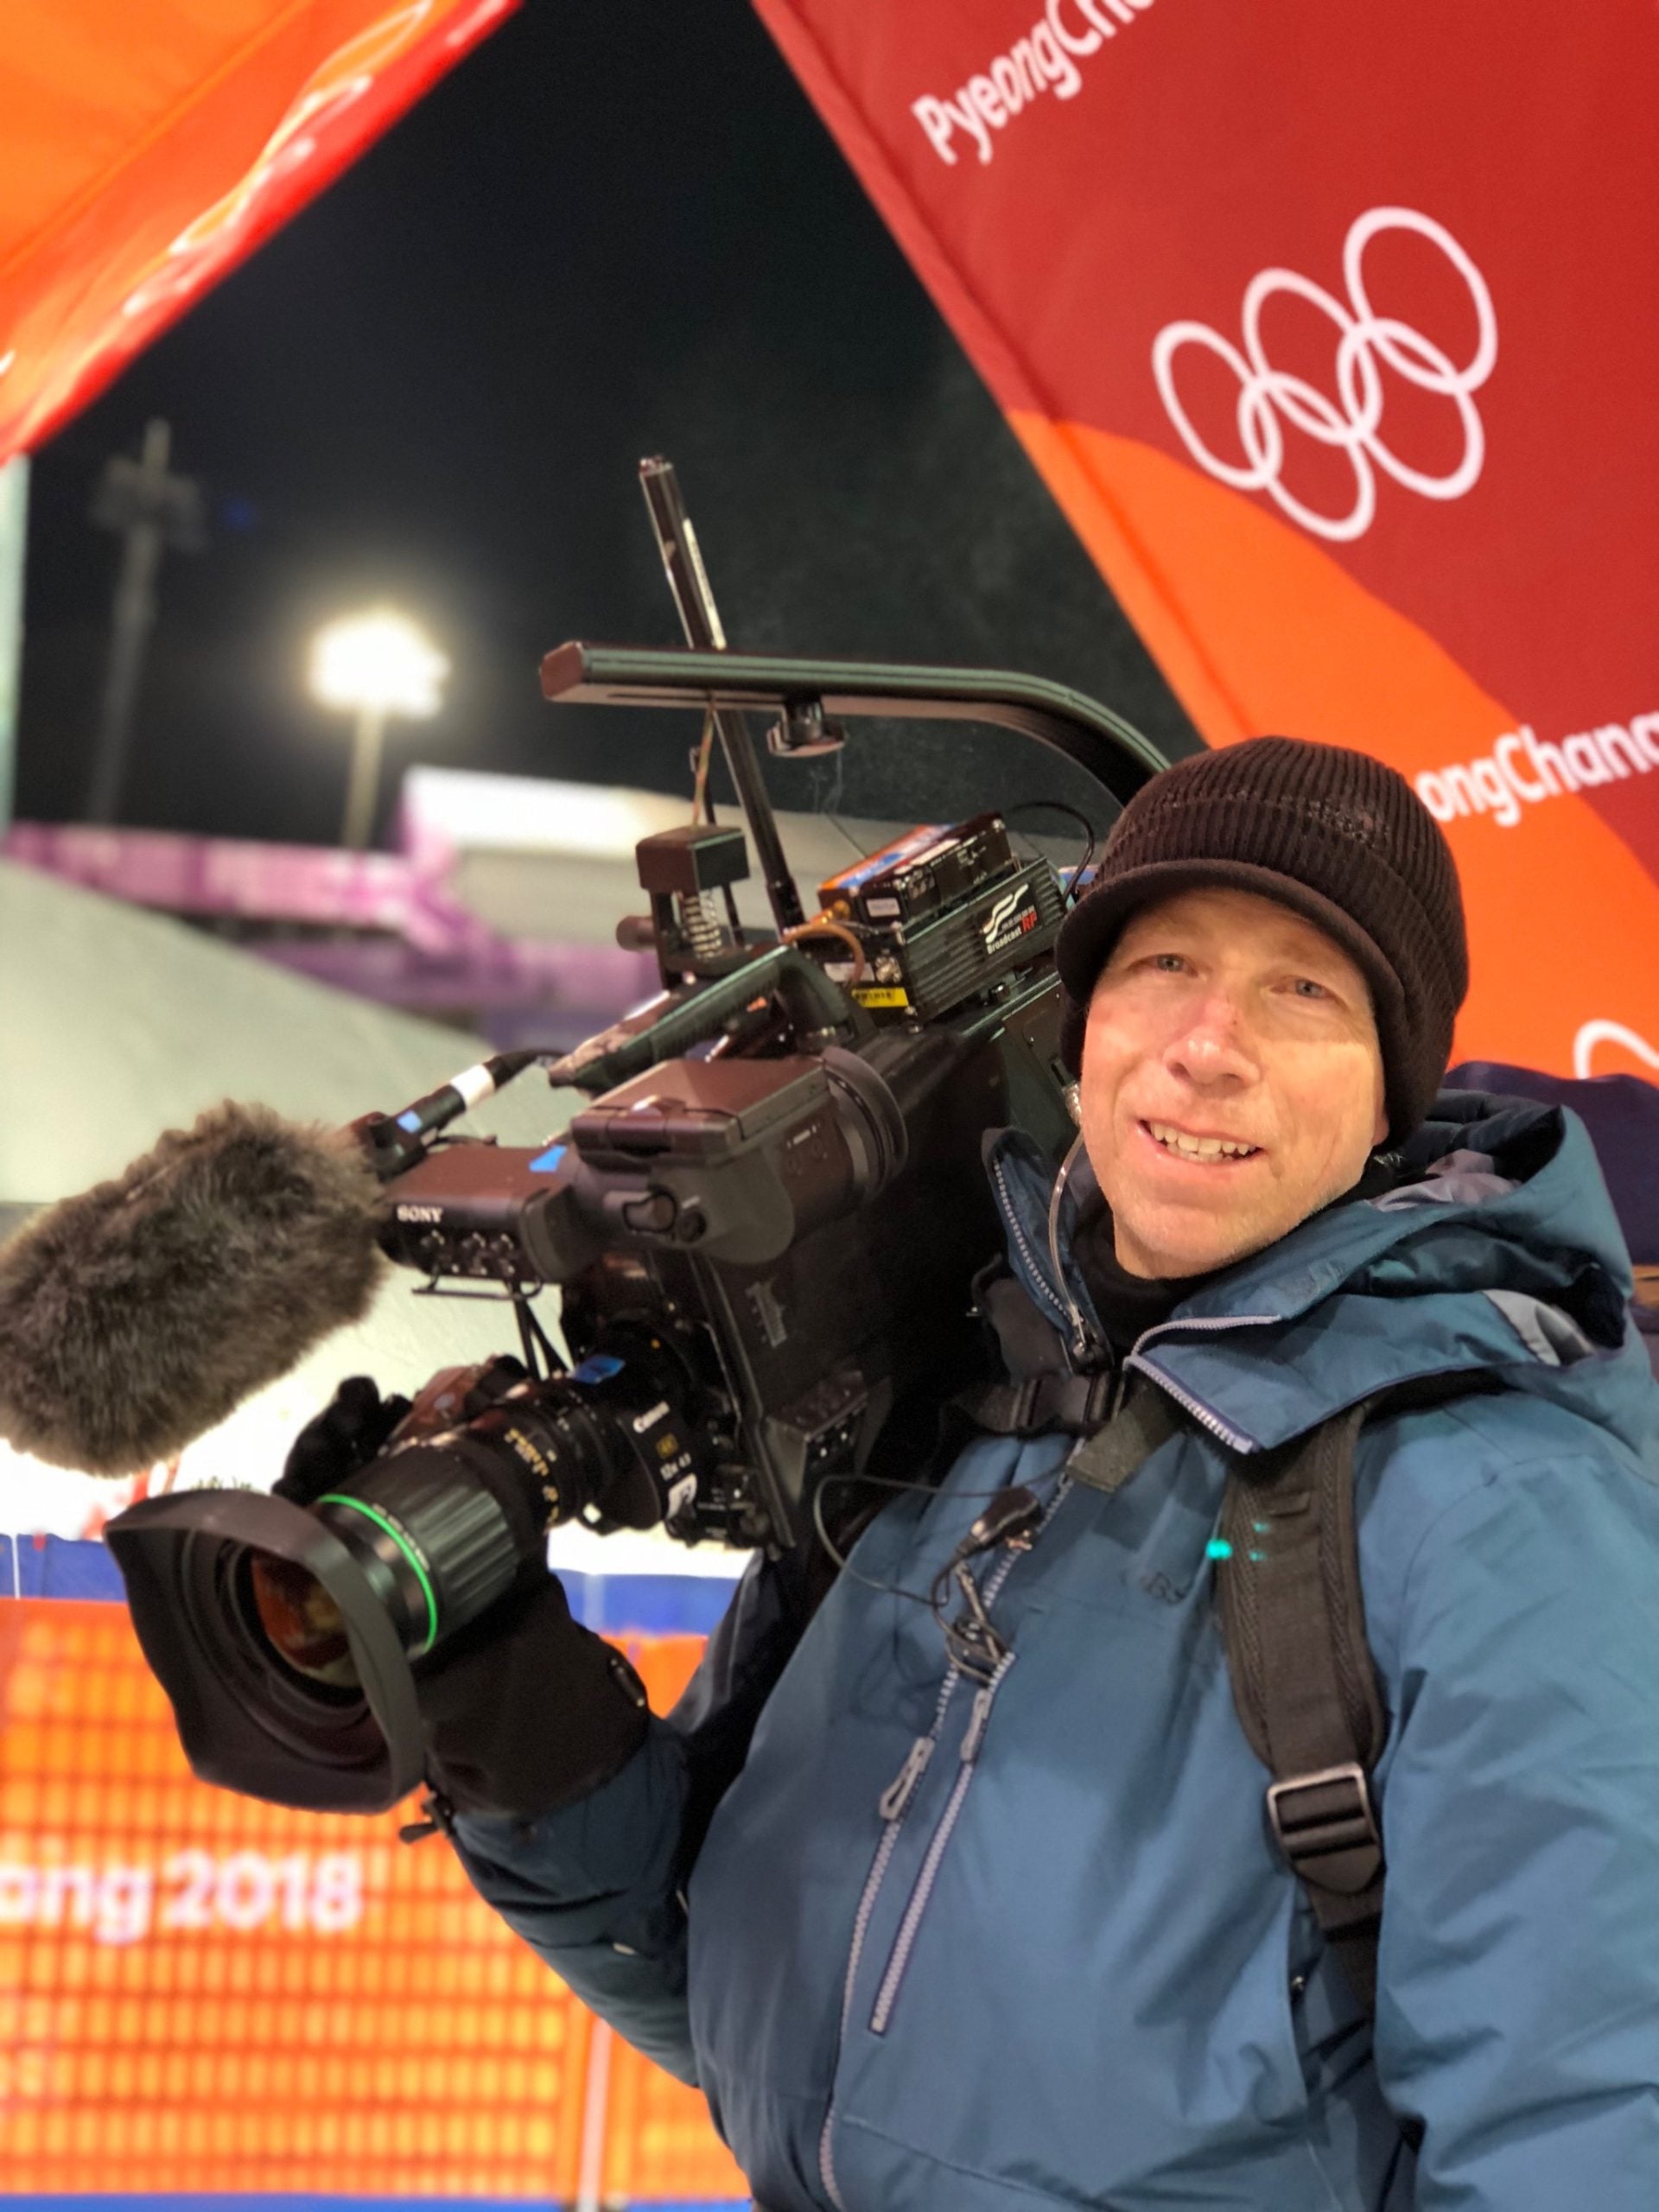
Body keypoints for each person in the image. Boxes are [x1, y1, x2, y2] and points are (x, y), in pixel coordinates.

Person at [414, 738, 1659, 2210]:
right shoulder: (947, 1407)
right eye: (1164, 964)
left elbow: (1580, 2131)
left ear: (1394, 1090)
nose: (1209, 1043)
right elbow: (774, 2015)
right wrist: (537, 1755)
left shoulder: (1498, 1507)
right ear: (1082, 1028)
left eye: (1304, 991)